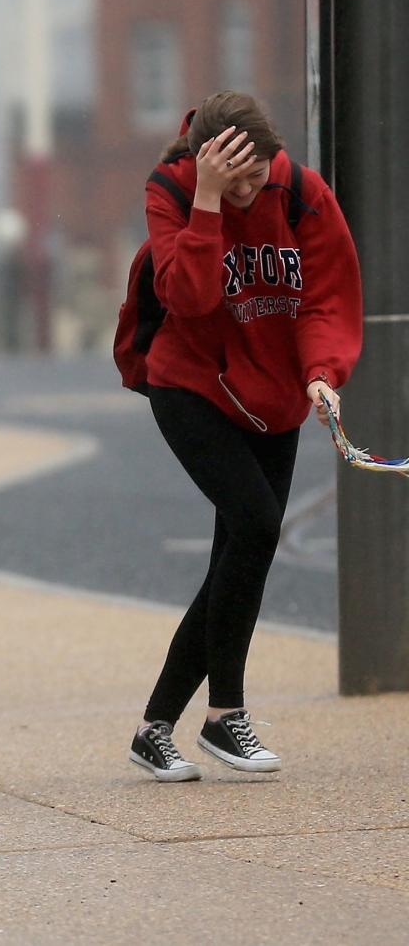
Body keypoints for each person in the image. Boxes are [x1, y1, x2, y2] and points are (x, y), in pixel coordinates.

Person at [127, 91, 361, 782]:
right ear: (206, 164)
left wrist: (322, 372)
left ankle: (153, 727)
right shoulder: (171, 192)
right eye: (237, 181)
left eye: (258, 176)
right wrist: (206, 200)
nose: (251, 190)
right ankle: (224, 714)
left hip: (276, 395)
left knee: (239, 557)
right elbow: (190, 295)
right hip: (190, 386)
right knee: (258, 526)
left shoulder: (301, 191)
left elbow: (325, 294)